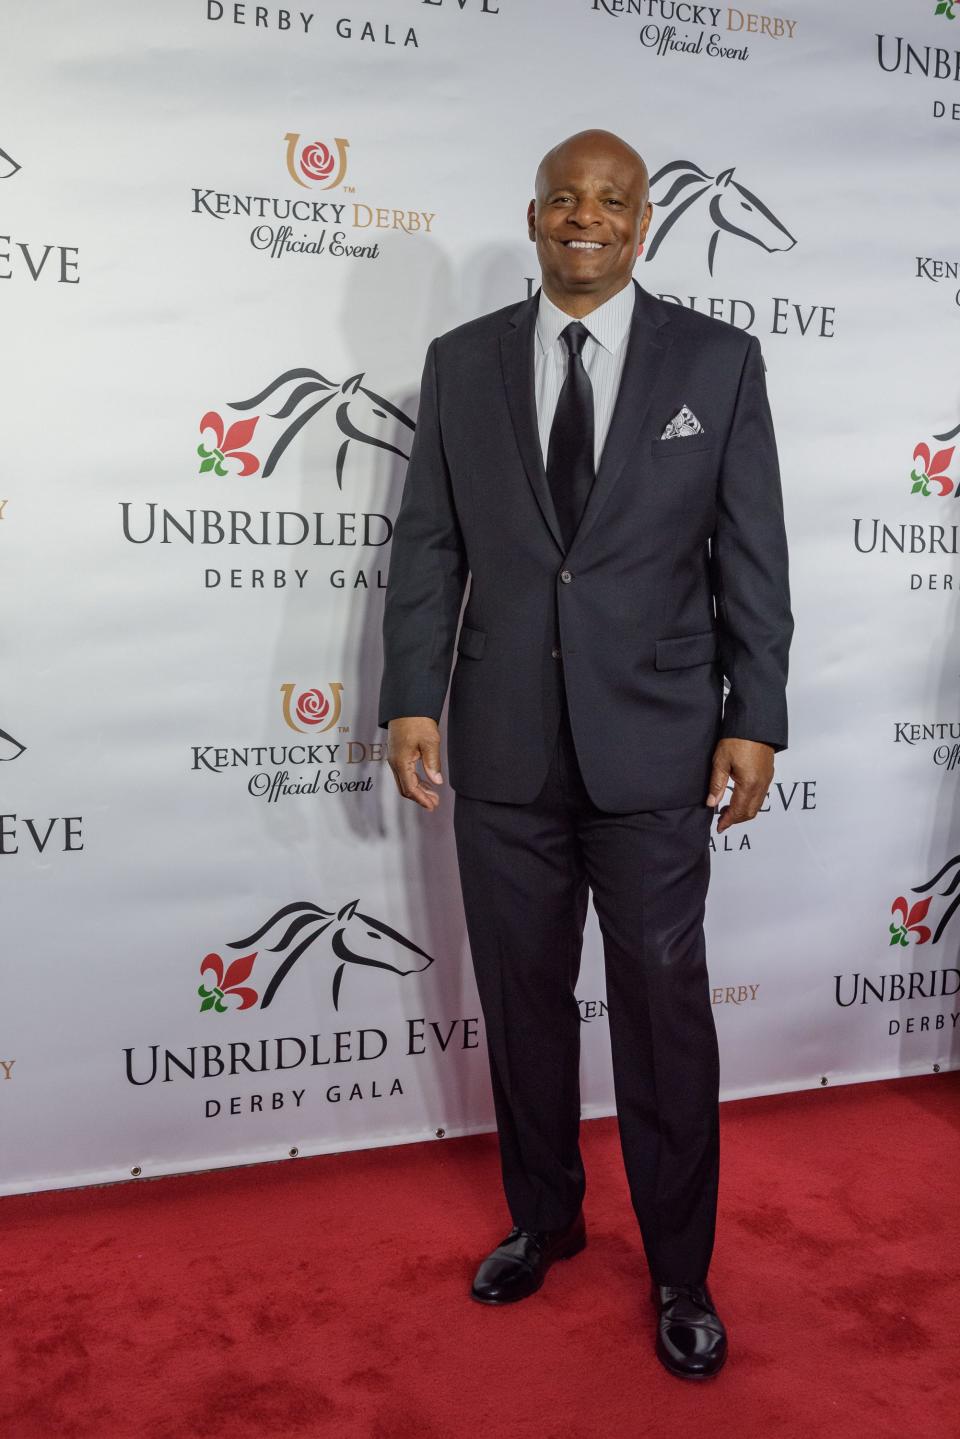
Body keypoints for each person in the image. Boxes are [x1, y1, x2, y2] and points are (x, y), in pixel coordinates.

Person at [378, 129, 792, 1380]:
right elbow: (431, 545)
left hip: (656, 749)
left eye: (612, 201)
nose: (586, 218)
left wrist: (755, 712)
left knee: (666, 1015)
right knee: (523, 1001)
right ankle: (545, 1216)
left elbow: (752, 557)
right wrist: (411, 694)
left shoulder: (716, 363)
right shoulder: (460, 364)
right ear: (535, 212)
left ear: (645, 220)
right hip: (502, 744)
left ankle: (680, 1267)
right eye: (565, 198)